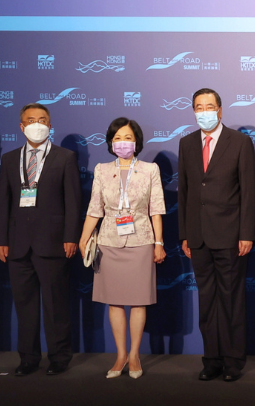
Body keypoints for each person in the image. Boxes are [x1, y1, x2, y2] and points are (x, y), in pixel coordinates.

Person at [0, 104, 81, 377]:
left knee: (55, 305)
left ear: (50, 125)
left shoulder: (65, 157)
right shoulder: (9, 159)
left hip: (54, 242)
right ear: (21, 127)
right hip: (17, 244)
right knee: (25, 306)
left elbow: (73, 201)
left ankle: (59, 357)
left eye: (42, 120)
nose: (37, 124)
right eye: (31, 120)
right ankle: (28, 358)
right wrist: (0, 239)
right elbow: (2, 204)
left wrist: (70, 236)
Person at [177, 88, 255, 382]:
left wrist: (246, 233)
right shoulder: (186, 143)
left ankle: (233, 361)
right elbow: (184, 191)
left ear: (220, 110)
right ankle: (211, 360)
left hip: (231, 235)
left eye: (209, 106)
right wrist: (184, 234)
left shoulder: (240, 142)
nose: (204, 112)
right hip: (198, 238)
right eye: (198, 107)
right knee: (207, 302)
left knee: (231, 301)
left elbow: (249, 192)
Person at [80, 118, 166, 379]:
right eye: (117, 137)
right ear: (110, 142)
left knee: (139, 301)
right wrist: (84, 238)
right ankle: (119, 356)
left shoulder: (150, 169)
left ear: (136, 141)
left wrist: (159, 243)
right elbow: (95, 208)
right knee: (115, 301)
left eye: (127, 137)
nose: (122, 142)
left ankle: (134, 355)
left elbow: (157, 209)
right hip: (109, 242)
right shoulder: (102, 169)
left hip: (141, 240)